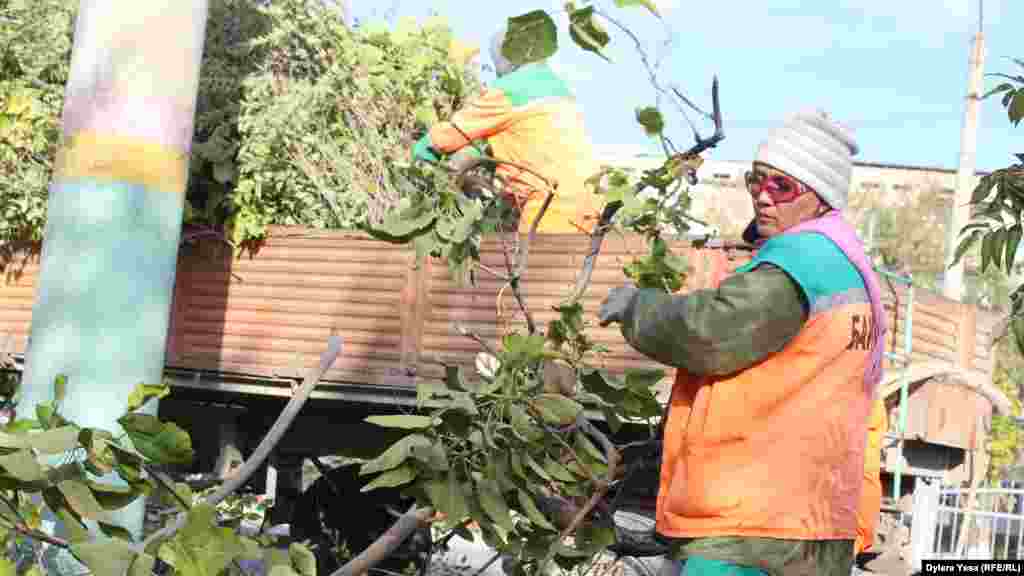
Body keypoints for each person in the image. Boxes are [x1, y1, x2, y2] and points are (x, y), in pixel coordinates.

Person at [598, 108, 887, 576]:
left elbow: (710, 332)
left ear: (819, 195)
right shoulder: (847, 265)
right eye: (757, 181)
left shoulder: (799, 263)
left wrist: (637, 307)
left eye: (782, 186)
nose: (763, 197)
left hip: (752, 521)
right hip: (810, 519)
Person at [411, 24, 601, 233]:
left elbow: (450, 136)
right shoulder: (557, 87)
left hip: (551, 204)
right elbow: (529, 141)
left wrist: (421, 149)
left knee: (536, 262)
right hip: (591, 200)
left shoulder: (511, 89)